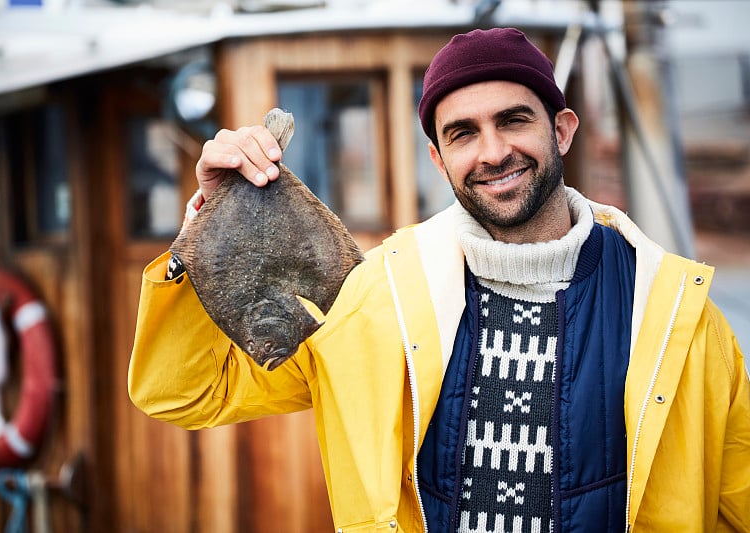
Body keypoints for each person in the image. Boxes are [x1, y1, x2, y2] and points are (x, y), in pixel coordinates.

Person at [128, 27, 750, 532]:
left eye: (513, 120)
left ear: (561, 130)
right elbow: (184, 392)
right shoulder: (374, 305)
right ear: (438, 158)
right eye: (463, 134)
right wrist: (204, 229)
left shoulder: (678, 321)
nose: (492, 152)